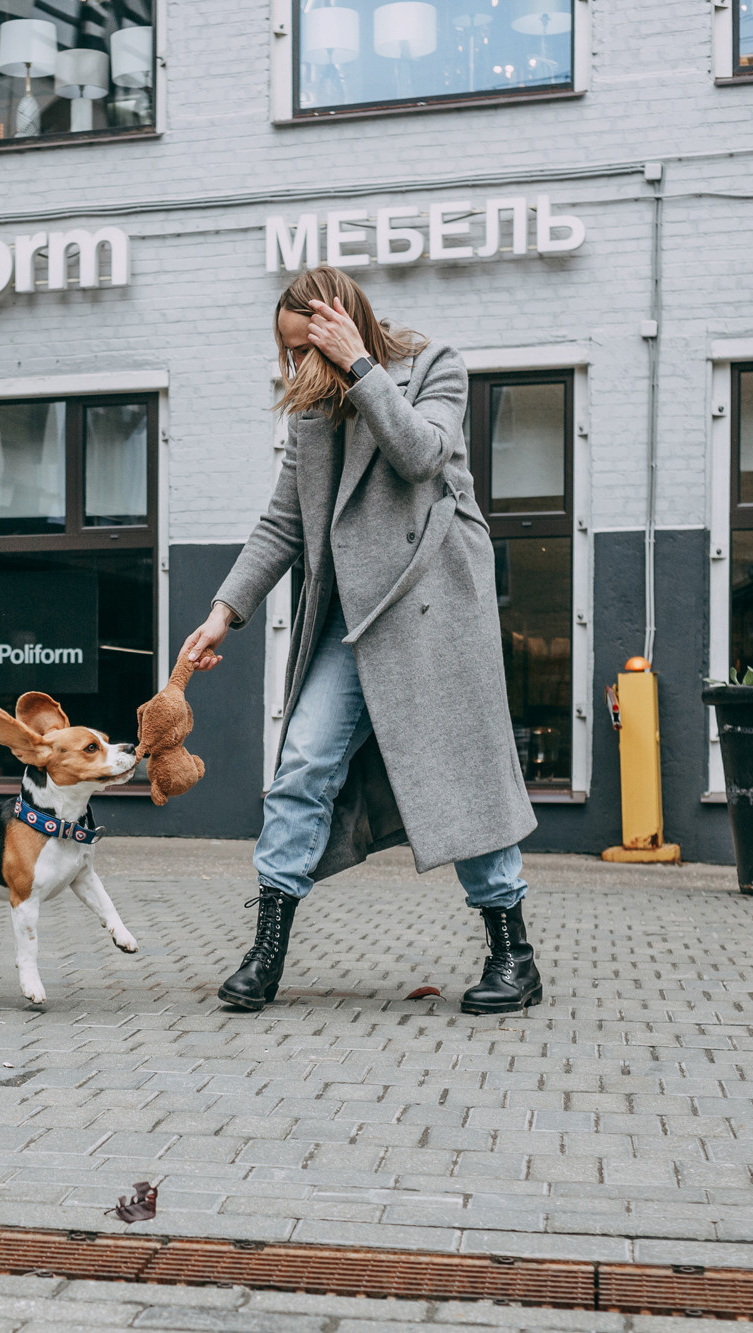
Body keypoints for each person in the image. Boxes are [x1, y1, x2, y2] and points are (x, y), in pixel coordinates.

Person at [181, 266, 541, 1016]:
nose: (294, 368)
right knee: (302, 762)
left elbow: (419, 454)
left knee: (462, 772)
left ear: (340, 327)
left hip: (432, 607)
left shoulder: (433, 367)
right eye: (287, 352)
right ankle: (267, 949)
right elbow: (282, 523)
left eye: (304, 348)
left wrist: (362, 367)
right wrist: (223, 611)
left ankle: (514, 954)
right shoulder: (311, 416)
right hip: (353, 621)